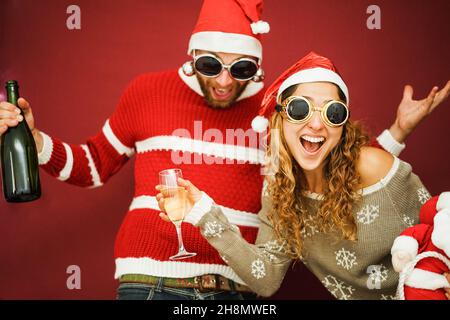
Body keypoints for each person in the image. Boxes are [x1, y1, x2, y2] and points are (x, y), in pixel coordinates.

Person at [0, 1, 448, 300]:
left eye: (242, 68)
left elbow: (336, 163)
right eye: (211, 65)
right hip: (149, 279)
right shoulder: (146, 92)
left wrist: (395, 132)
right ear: (192, 56)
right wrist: (35, 141)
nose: (224, 80)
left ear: (257, 66)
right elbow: (93, 165)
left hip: (237, 291)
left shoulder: (278, 113)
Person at [156, 52, 450, 299]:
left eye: (333, 113)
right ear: (280, 118)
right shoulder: (280, 191)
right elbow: (266, 277)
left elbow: (440, 233)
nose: (317, 124)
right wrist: (204, 214)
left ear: (342, 126)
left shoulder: (375, 168)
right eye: (300, 109)